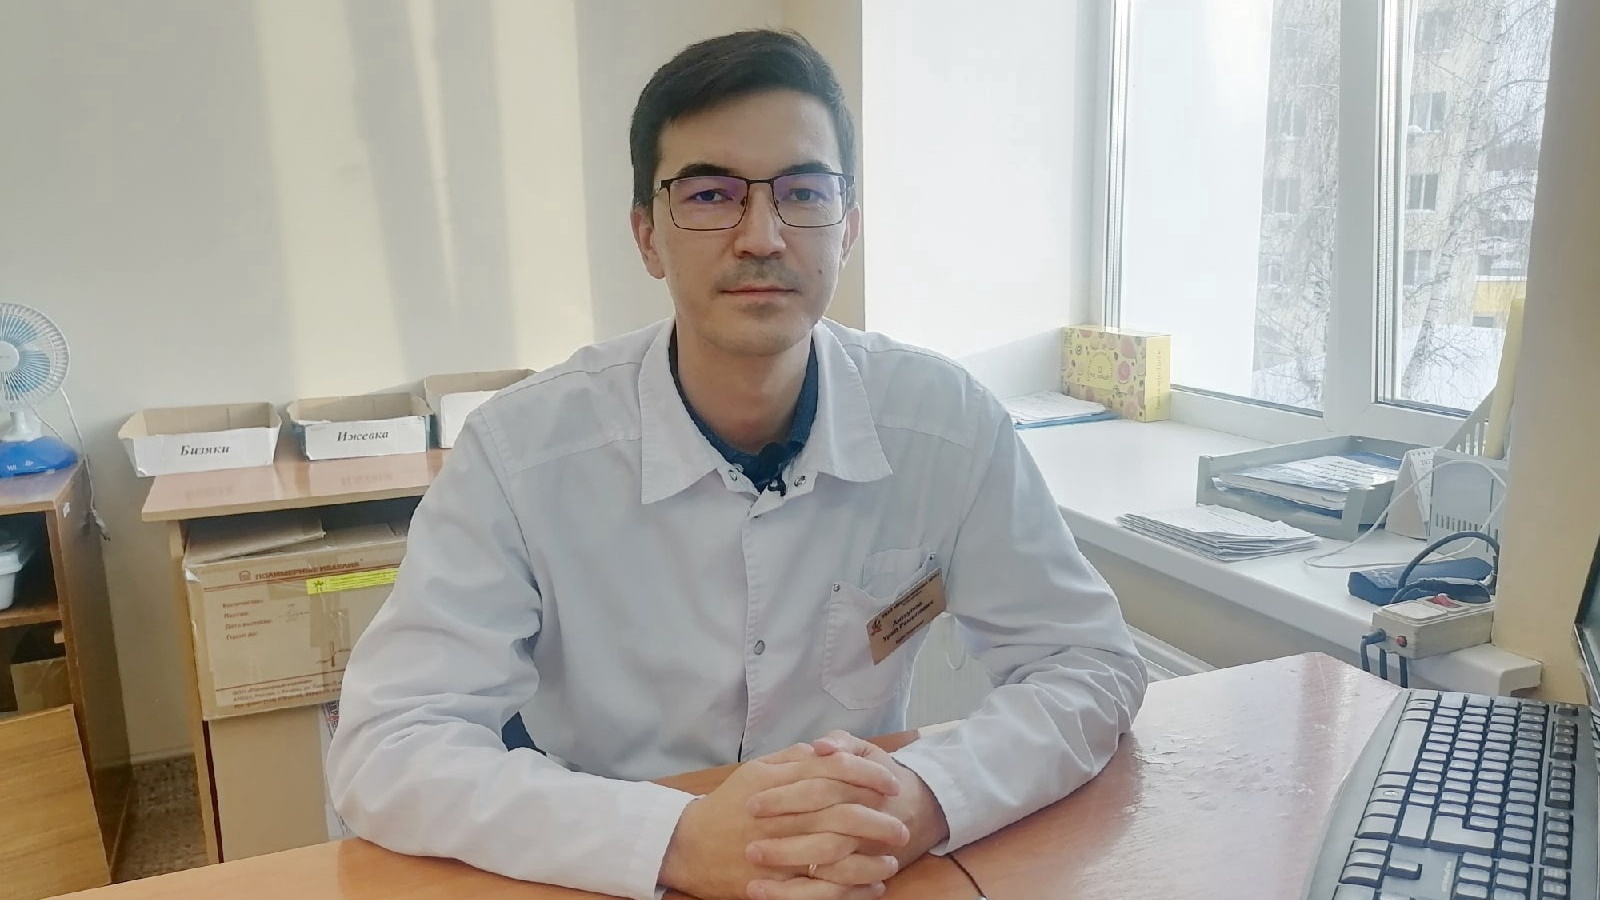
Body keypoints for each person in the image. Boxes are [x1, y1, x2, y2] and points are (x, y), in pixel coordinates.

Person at [326, 28, 1146, 900]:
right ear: (647, 237)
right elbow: (389, 741)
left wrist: (928, 797)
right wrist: (671, 839)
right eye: (711, 194)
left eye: (803, 193)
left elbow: (1089, 662)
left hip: (859, 863)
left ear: (847, 229)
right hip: (595, 866)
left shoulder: (945, 423)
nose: (762, 237)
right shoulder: (522, 451)